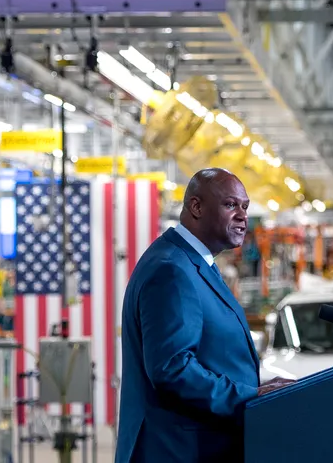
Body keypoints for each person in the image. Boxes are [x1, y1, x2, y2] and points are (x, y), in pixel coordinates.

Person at [115, 169, 294, 463]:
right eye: (230, 205)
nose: (242, 216)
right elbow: (173, 369)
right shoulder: (171, 269)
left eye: (245, 207)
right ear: (196, 207)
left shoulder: (194, 263)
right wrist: (250, 397)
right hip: (177, 450)